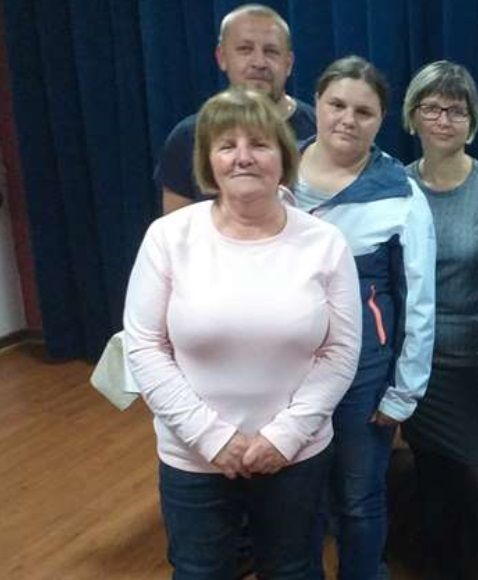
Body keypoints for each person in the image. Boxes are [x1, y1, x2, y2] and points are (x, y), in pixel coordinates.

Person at [123, 88, 361, 579]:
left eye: (259, 143)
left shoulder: (325, 242)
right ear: (208, 162)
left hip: (296, 454)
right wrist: (211, 437)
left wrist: (284, 436)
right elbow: (145, 346)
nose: (243, 157)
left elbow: (340, 351)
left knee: (294, 570)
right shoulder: (168, 237)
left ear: (284, 157)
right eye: (227, 145)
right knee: (199, 571)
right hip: (193, 457)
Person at [290, 55, 436, 580]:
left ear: (381, 120)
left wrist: (404, 390)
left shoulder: (400, 192)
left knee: (357, 499)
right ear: (317, 104)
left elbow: (419, 300)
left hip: (363, 378)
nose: (347, 119)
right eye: (336, 105)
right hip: (285, 375)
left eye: (364, 111)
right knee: (297, 501)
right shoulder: (276, 169)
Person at [398, 60, 478, 579]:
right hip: (421, 371)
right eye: (432, 108)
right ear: (412, 116)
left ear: (473, 121)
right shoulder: (394, 189)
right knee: (435, 494)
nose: (444, 119)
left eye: (456, 110)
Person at [155, 3, 315, 214]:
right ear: (222, 57)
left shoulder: (318, 131)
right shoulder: (187, 137)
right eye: (245, 49)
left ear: (289, 63)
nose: (259, 62)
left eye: (271, 51)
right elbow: (177, 227)